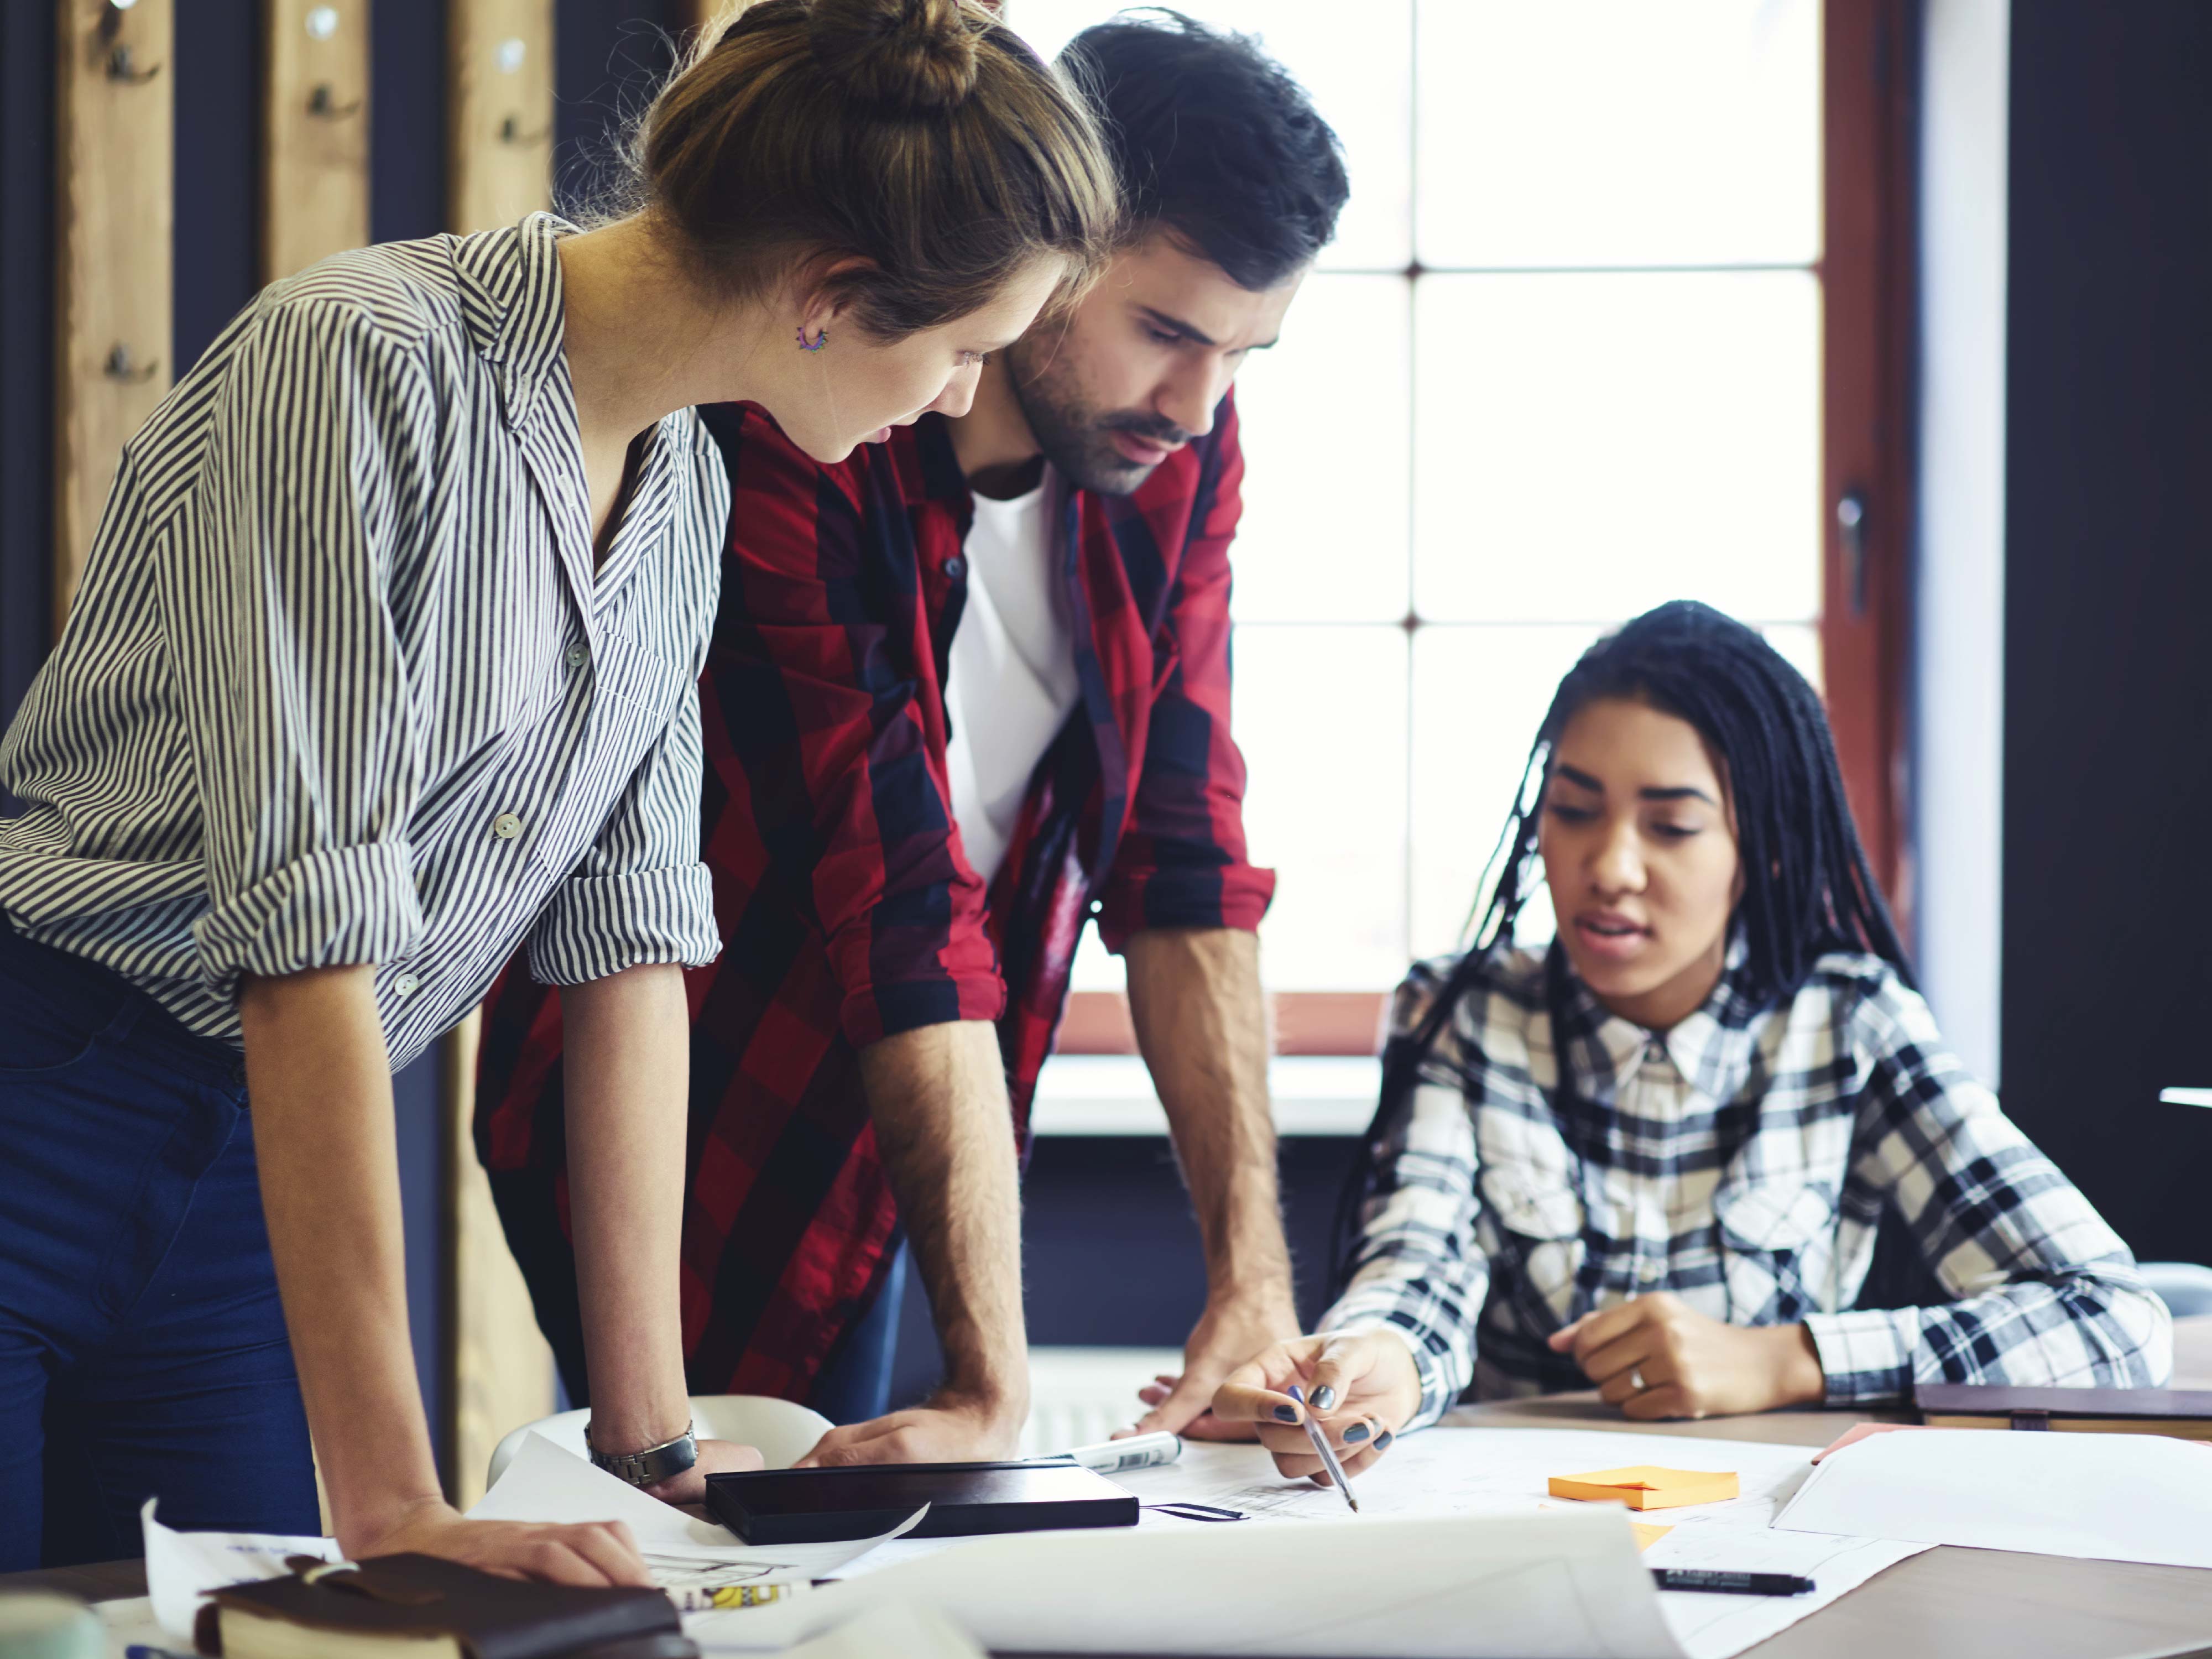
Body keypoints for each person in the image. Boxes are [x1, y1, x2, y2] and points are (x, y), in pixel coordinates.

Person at [0, 0, 1115, 1575]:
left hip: (252, 1173)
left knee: (224, 1632)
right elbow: (307, 931)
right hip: (44, 1089)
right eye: (963, 350)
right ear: (829, 296)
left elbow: (631, 939)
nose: (954, 398)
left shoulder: (689, 485)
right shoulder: (357, 358)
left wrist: (652, 1437)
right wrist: (396, 1510)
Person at [473, 10, 1350, 1458]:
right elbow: (890, 891)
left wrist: (1250, 1280)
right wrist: (992, 1389)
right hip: (694, 1107)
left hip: (925, 1114)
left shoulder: (1174, 447)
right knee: (733, 1560)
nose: (1199, 409)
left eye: (1249, 356)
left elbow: (1184, 850)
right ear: (1056, 242)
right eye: (1169, 332)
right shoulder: (810, 430)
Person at [1212, 601, 2171, 1484]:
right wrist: (1375, 1366)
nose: (1610, 867)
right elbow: (1418, 1268)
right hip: (1519, 1537)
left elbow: (2115, 1318)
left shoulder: (1850, 1025)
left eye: (1671, 825)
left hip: (1788, 1540)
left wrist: (1787, 1360)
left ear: (1767, 847)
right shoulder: (1460, 1015)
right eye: (1574, 811)